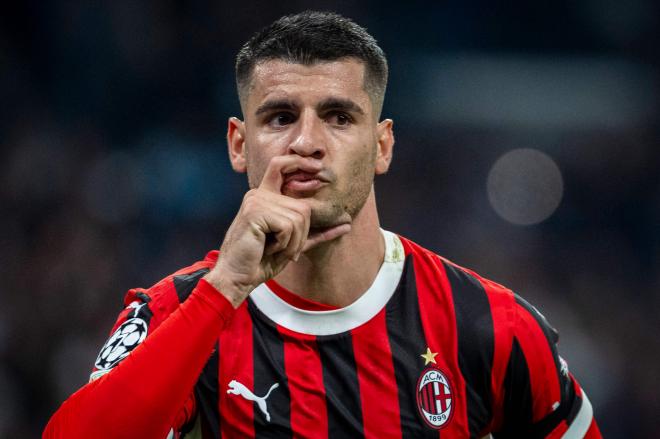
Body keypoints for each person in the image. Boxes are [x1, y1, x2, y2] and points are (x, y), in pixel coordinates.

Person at [44, 11, 601, 439]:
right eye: (281, 117)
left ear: (382, 146)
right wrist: (225, 290)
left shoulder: (490, 328)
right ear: (239, 144)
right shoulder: (179, 313)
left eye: (338, 117)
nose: (307, 143)